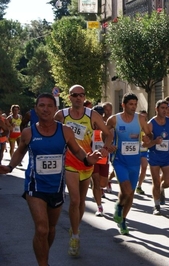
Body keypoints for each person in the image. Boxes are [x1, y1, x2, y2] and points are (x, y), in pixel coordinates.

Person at [0, 93, 103, 266]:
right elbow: (20, 151)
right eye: (42, 105)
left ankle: (43, 257)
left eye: (49, 106)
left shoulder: (65, 131)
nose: (46, 109)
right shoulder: (28, 132)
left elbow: (77, 151)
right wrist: (10, 167)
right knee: (42, 228)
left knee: (51, 229)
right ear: (36, 109)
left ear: (55, 109)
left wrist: (87, 159)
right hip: (35, 187)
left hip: (56, 187)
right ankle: (43, 263)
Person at [54, 85, 113, 256]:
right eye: (74, 95)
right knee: (74, 200)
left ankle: (74, 228)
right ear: (69, 97)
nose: (78, 98)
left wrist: (104, 149)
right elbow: (52, 132)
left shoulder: (91, 115)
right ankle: (75, 236)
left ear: (84, 97)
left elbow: (108, 134)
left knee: (81, 203)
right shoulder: (61, 116)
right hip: (69, 162)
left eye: (81, 95)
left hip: (87, 162)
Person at [106, 93, 152, 234]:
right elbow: (105, 133)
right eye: (130, 104)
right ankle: (119, 206)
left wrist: (147, 139)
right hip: (119, 160)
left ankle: (123, 220)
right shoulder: (114, 119)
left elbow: (149, 134)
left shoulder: (140, 119)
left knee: (130, 194)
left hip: (134, 161)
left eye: (135, 104)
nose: (133, 107)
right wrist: (108, 145)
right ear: (123, 105)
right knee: (126, 189)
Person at [146, 100, 169, 215]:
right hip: (154, 156)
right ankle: (156, 205)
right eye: (162, 108)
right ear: (156, 109)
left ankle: (162, 189)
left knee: (168, 182)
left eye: (166, 108)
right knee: (155, 182)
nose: (165, 110)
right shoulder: (150, 124)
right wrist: (154, 142)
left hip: (167, 155)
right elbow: (145, 144)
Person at [91, 105, 109, 216]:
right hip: (92, 158)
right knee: (96, 182)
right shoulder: (88, 127)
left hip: (104, 159)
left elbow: (111, 139)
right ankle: (99, 206)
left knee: (103, 183)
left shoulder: (106, 127)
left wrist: (109, 147)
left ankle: (100, 189)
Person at [136, 110, 149, 195]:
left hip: (144, 151)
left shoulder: (148, 127)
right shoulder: (134, 126)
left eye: (145, 117)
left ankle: (139, 186)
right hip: (134, 151)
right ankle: (109, 179)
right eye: (142, 117)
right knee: (134, 170)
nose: (143, 118)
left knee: (144, 168)